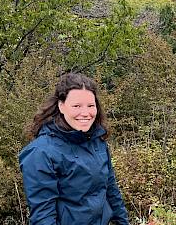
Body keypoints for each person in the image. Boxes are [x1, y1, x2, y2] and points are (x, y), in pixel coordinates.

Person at [19, 72, 130, 225]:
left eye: (91, 106)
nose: (85, 113)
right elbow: (43, 216)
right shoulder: (41, 152)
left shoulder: (97, 142)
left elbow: (111, 190)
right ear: (61, 106)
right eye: (77, 106)